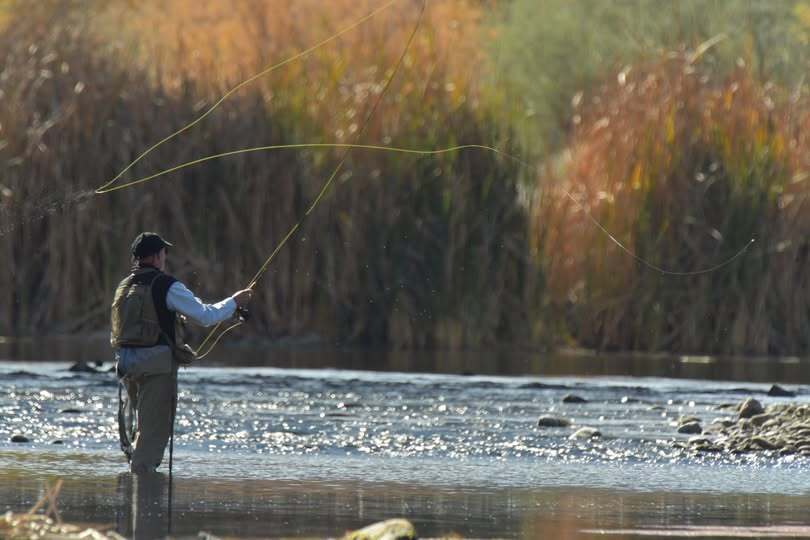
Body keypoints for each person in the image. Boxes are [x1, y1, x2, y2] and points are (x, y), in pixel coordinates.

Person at [111, 232, 252, 474]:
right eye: (164, 252)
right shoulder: (167, 285)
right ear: (156, 256)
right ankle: (144, 493)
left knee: (140, 430)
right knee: (153, 433)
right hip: (156, 368)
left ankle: (134, 493)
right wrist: (234, 301)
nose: (165, 257)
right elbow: (206, 316)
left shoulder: (124, 286)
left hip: (126, 365)